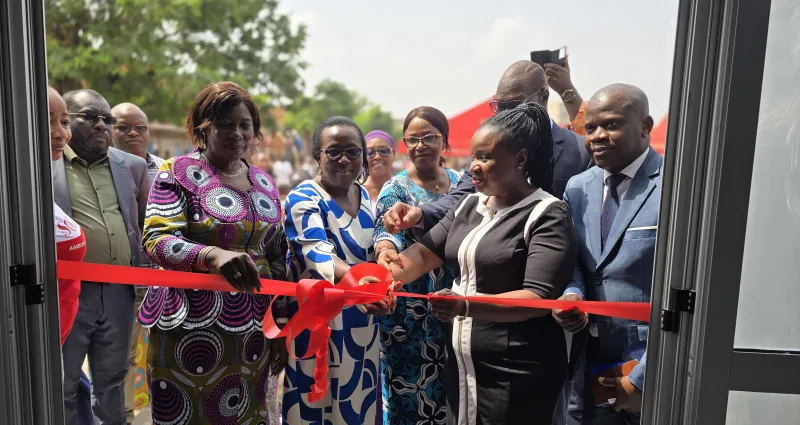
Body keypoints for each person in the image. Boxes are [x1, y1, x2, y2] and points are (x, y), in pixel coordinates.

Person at [381, 103, 578, 425]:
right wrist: (379, 278)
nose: (473, 166)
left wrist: (465, 305)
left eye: (484, 157)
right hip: (462, 369)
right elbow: (424, 254)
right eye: (473, 157)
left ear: (520, 159)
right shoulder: (470, 205)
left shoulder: (547, 213)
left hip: (516, 374)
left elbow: (537, 298)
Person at [135, 82, 287, 425]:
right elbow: (157, 239)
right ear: (204, 128)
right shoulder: (176, 172)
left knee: (247, 414)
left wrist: (280, 325)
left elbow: (277, 257)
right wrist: (212, 255)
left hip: (254, 333)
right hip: (188, 331)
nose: (237, 133)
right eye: (225, 124)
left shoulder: (264, 182)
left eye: (245, 125)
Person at [552, 84, 661, 425]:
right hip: (585, 366)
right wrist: (572, 294)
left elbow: (687, 295)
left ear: (645, 126)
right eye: (590, 128)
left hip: (648, 368)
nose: (597, 136)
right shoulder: (577, 188)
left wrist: (641, 378)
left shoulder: (675, 186)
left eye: (611, 124)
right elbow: (576, 263)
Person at [382, 60, 591, 238]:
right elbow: (461, 197)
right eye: (500, 107)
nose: (506, 115)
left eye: (515, 105)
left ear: (543, 97)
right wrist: (420, 213)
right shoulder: (485, 151)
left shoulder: (580, 153)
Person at [283, 116, 393, 425]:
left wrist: (383, 285)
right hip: (319, 328)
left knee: (358, 406)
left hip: (363, 327)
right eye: (333, 151)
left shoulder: (367, 199)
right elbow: (317, 253)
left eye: (353, 151)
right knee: (315, 410)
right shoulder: (303, 198)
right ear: (317, 156)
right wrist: (362, 284)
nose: (344, 159)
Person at [52, 89, 150, 425]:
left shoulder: (133, 167)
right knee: (64, 382)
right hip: (71, 292)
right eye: (90, 117)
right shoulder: (46, 163)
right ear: (68, 120)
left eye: (107, 119)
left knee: (112, 382)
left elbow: (141, 225)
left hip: (120, 293)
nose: (101, 125)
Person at [372, 108, 459, 425]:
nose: (420, 145)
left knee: (454, 398)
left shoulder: (461, 184)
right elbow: (386, 231)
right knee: (411, 404)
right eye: (413, 139)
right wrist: (385, 250)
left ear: (444, 141)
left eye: (429, 138)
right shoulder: (396, 188)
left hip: (455, 307)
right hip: (409, 319)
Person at [109, 101, 164, 425]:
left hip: (164, 283)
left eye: (139, 127)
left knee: (164, 354)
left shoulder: (168, 171)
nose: (133, 133)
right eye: (124, 127)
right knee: (123, 358)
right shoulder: (102, 172)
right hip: (120, 284)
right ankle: (126, 416)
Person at [48, 86, 85, 346]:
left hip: (53, 341)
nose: (62, 133)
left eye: (64, 122)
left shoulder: (37, 188)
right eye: (48, 121)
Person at [363, 130, 397, 216]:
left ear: (393, 154)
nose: (377, 157)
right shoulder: (356, 193)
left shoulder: (406, 191)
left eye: (384, 151)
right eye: (370, 152)